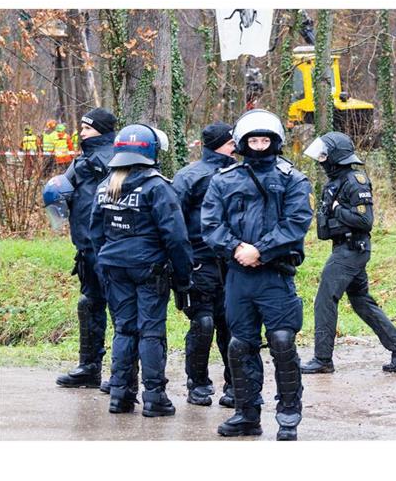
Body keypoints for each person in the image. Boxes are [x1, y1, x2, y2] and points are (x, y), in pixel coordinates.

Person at [202, 109, 312, 440]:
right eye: (254, 139)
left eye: (266, 139)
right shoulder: (223, 180)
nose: (260, 145)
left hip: (275, 275)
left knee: (281, 341)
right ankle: (247, 413)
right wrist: (236, 248)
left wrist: (261, 250)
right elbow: (210, 224)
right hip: (237, 275)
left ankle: (289, 412)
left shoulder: (293, 179)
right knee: (240, 345)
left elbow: (296, 222)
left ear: (275, 141)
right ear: (243, 142)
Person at [90, 123, 193, 416]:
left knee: (123, 329)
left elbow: (94, 232)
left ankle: (120, 396)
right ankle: (154, 397)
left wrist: (104, 263)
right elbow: (175, 236)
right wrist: (184, 278)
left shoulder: (106, 185)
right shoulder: (157, 186)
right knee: (150, 331)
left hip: (113, 267)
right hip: (149, 269)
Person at [300, 131, 396, 375]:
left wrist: (337, 209)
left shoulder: (355, 180)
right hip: (345, 247)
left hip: (353, 249)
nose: (320, 160)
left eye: (324, 155)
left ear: (336, 156)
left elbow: (365, 220)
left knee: (325, 298)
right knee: (361, 301)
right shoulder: (336, 181)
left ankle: (323, 359)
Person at [48, 108, 116, 391]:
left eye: (88, 129)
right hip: (86, 248)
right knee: (89, 305)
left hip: (113, 250)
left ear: (101, 130)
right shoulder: (81, 160)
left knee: (123, 312)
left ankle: (124, 375)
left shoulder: (116, 159)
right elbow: (62, 197)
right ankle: (89, 368)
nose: (82, 133)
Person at [172, 122, 237, 407]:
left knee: (232, 325)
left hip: (234, 260)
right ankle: (197, 383)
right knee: (204, 322)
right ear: (219, 144)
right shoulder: (189, 176)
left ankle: (235, 384)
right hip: (199, 262)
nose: (236, 145)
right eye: (230, 141)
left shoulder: (240, 173)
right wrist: (180, 264)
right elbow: (172, 224)